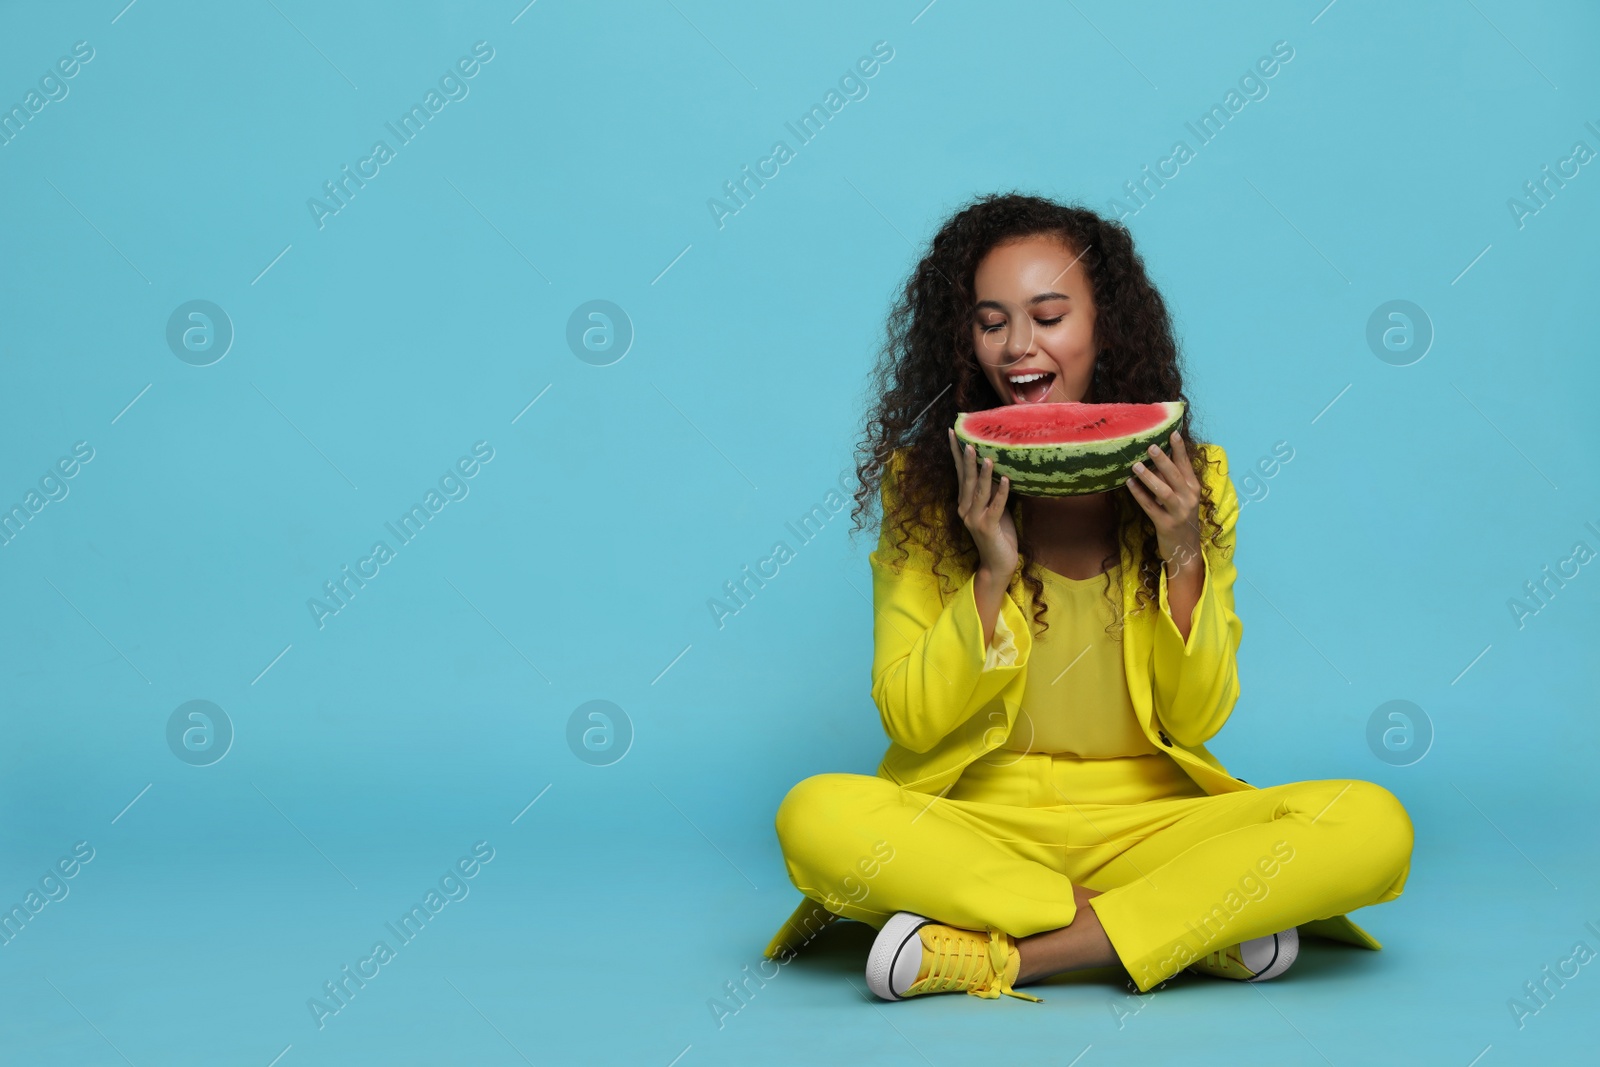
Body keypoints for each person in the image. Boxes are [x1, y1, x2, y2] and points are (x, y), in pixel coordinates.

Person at [764, 193, 1413, 1003]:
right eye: (991, 320)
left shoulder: (1196, 483)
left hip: (1150, 822)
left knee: (1372, 823)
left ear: (1105, 326)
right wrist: (991, 571)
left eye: (1049, 315)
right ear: (963, 337)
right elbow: (911, 717)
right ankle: (1185, 930)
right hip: (980, 822)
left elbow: (1200, 716)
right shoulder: (925, 493)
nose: (1018, 346)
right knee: (815, 813)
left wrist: (1182, 553)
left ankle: (1003, 954)